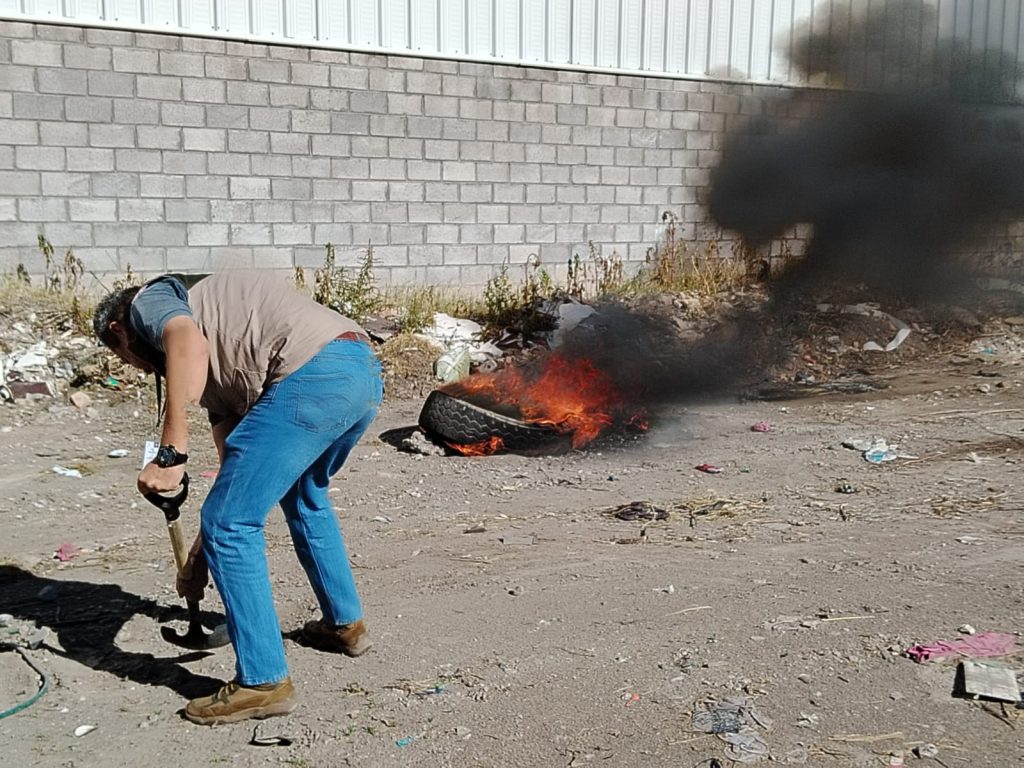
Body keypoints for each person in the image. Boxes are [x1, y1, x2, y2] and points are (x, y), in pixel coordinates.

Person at [93, 270, 384, 725]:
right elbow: (237, 481)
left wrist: (171, 453)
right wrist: (198, 560)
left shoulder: (148, 301)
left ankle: (263, 682)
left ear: (118, 332)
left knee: (230, 524)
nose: (141, 369)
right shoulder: (223, 375)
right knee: (303, 498)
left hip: (311, 371)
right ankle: (344, 625)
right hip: (357, 369)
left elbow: (185, 343)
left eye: (127, 359)